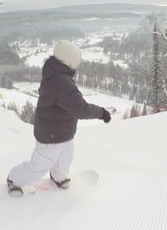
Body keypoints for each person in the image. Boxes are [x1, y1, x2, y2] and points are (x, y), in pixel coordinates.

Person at [7, 40, 111, 196]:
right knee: (39, 166)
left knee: (65, 157)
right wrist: (102, 112)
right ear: (68, 61)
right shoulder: (61, 82)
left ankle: (58, 176)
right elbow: (81, 109)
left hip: (63, 133)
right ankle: (14, 179)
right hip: (50, 136)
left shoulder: (57, 76)